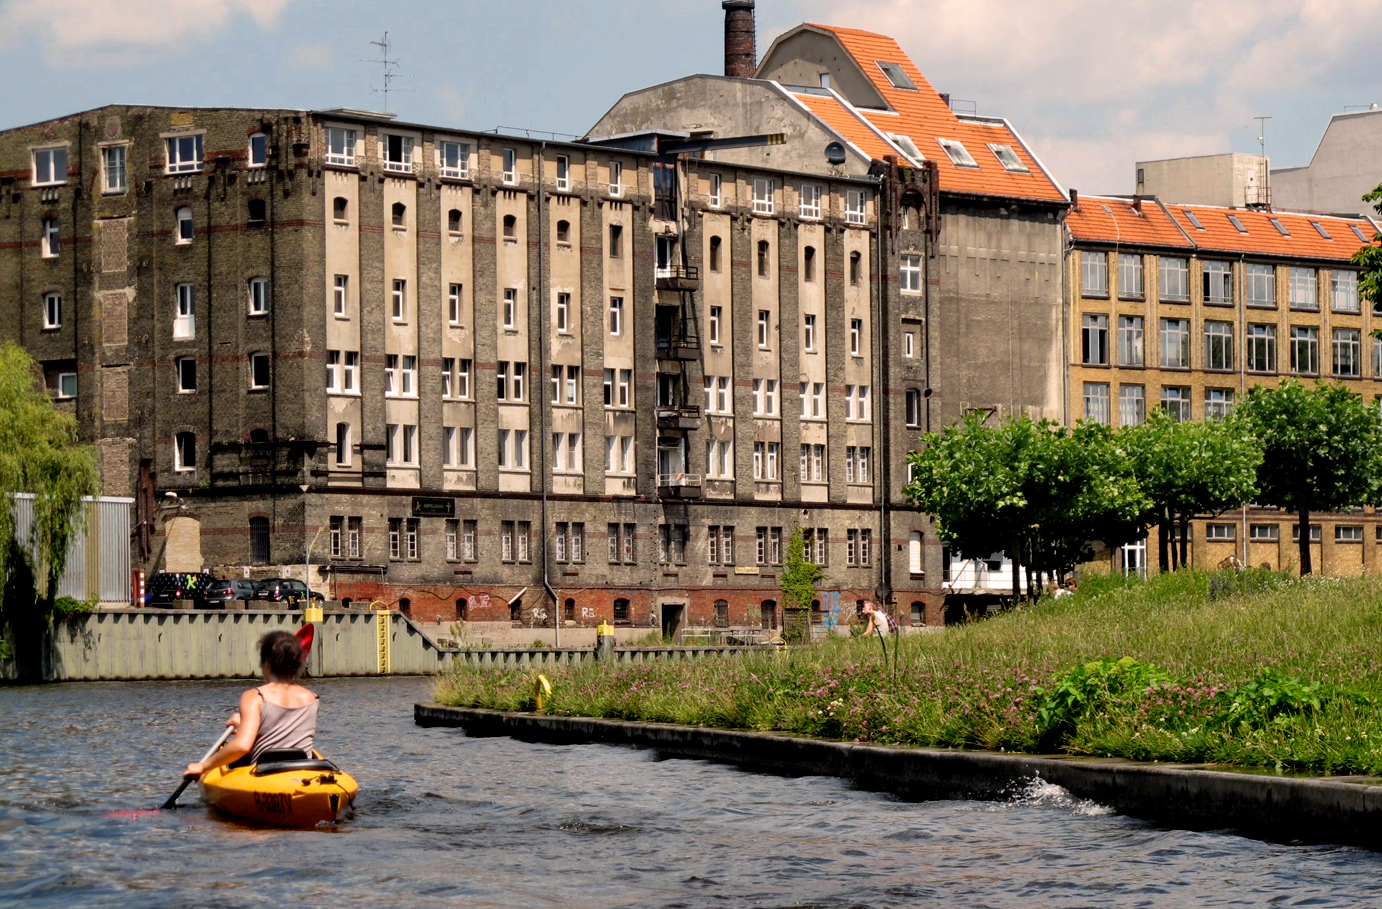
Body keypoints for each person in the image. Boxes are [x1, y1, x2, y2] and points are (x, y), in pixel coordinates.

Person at [184, 631, 318, 777]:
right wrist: (246, 724)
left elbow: (242, 746)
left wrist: (203, 766)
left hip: (264, 775)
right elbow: (282, 730)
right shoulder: (311, 698)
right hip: (304, 773)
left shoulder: (255, 696)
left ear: (266, 664)